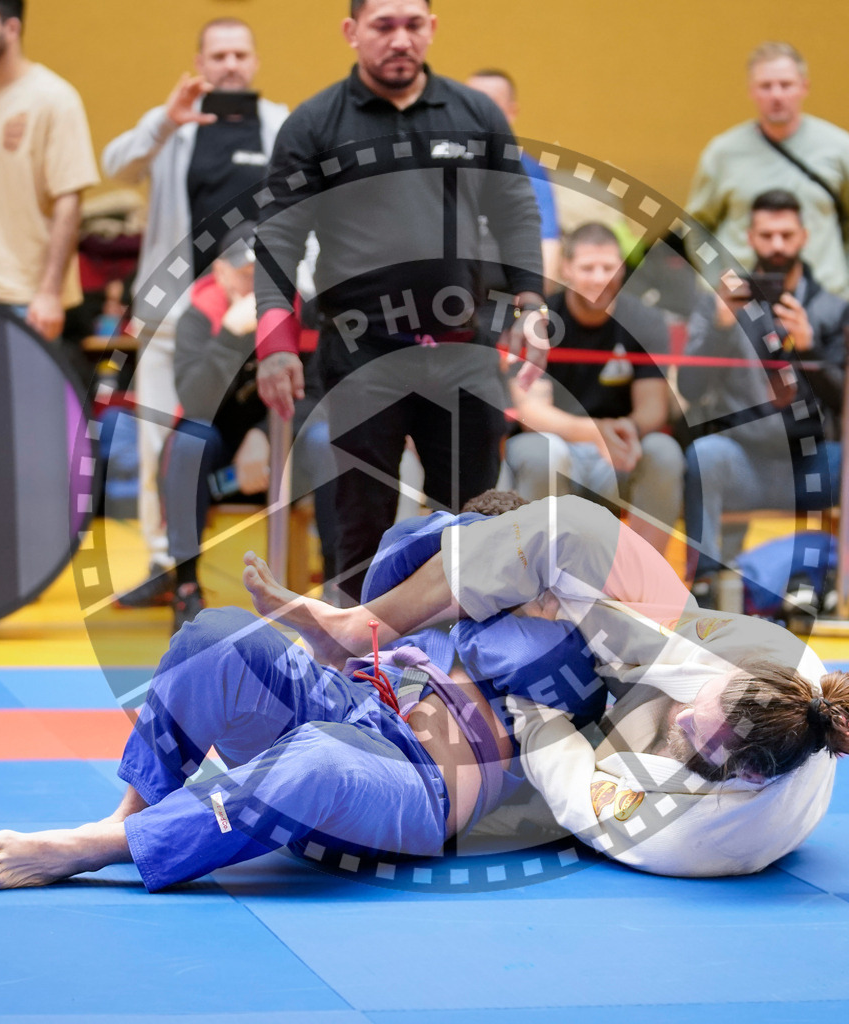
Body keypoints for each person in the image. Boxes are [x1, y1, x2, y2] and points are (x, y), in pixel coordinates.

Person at [0, 492, 849, 889]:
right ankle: (125, 811)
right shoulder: (459, 583)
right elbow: (433, 565)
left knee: (314, 765)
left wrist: (542, 706)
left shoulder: (620, 670)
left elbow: (595, 780)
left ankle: (104, 848)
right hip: (362, 702)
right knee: (213, 638)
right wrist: (351, 625)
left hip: (417, 784)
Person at [253, 0, 548, 603]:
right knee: (360, 527)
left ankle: (463, 650)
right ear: (351, 31)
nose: (400, 39)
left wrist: (531, 301)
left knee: (474, 524)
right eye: (383, 25)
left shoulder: (475, 113)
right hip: (363, 354)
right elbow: (280, 236)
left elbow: (515, 209)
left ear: (431, 29)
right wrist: (275, 344)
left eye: (413, 25)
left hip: (464, 352)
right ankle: (355, 649)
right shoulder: (314, 124)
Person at [679, 189, 849, 629]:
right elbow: (689, 388)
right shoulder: (719, 304)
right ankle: (704, 588)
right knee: (704, 455)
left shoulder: (834, 309)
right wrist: (721, 330)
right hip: (745, 463)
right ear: (750, 238)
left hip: (813, 466)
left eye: (786, 234)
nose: (777, 245)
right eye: (767, 235)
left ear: (804, 236)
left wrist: (811, 349)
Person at [102, 18, 288, 608]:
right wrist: (164, 120)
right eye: (218, 55)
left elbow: (305, 208)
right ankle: (167, 565)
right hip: (177, 311)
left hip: (257, 311)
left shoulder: (279, 124)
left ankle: (287, 564)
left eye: (240, 54)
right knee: (162, 442)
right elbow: (115, 166)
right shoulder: (174, 127)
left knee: (263, 432)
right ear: (201, 63)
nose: (230, 64)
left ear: (254, 61)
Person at [159, 225, 338, 633]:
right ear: (220, 273)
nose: (257, 285)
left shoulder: (305, 314)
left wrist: (263, 435)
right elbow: (196, 401)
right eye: (246, 274)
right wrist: (229, 336)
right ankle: (186, 585)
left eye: (267, 274)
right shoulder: (197, 318)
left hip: (289, 456)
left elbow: (318, 398)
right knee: (189, 440)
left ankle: (336, 585)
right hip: (222, 463)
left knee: (327, 439)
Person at [505, 223, 683, 555]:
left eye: (608, 267)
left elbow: (653, 406)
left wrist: (628, 428)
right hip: (554, 447)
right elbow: (531, 412)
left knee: (664, 451)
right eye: (588, 268)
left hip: (617, 454)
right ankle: (539, 575)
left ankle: (643, 576)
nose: (600, 278)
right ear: (567, 269)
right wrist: (596, 432)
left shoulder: (645, 320)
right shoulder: (539, 322)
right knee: (540, 452)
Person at [0, 0, 99, 340]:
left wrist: (50, 292)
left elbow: (69, 203)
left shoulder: (55, 99)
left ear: (12, 28)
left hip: (27, 298)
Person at [686, 41, 849, 302]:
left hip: (820, 296)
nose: (776, 95)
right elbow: (696, 225)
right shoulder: (722, 152)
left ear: (804, 87)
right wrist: (717, 281)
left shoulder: (842, 149)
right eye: (766, 86)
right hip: (744, 301)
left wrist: (846, 291)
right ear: (751, 91)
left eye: (786, 84)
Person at [465, 69, 561, 291]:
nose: (477, 113)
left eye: (489, 104)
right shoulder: (443, 164)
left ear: (512, 112)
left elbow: (547, 269)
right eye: (470, 104)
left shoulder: (533, 173)